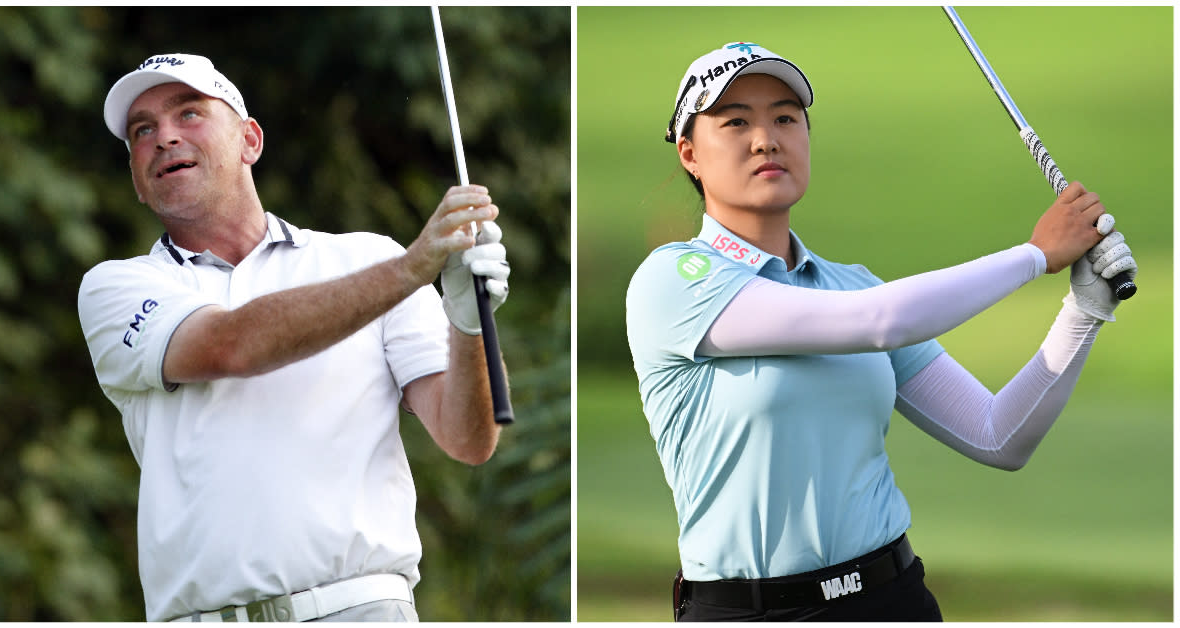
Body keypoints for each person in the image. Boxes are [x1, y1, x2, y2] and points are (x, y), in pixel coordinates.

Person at [625, 42, 1137, 622]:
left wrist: (1084, 311)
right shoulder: (674, 279)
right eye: (736, 121)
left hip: (893, 599)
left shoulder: (853, 285)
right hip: (753, 612)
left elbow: (999, 436)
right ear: (690, 153)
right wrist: (1033, 256)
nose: (766, 138)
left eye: (785, 118)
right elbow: (880, 321)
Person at [78, 53, 512, 622]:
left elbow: (467, 438)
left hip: (363, 609)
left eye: (189, 113)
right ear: (136, 178)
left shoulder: (367, 258)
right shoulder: (117, 287)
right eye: (143, 130)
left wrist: (468, 322)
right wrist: (413, 269)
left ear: (250, 140)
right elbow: (228, 346)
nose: (164, 138)